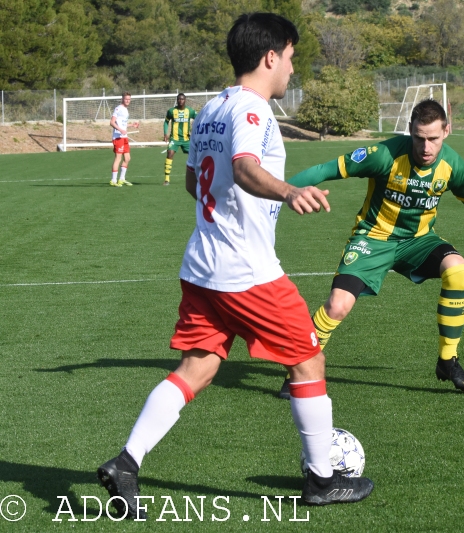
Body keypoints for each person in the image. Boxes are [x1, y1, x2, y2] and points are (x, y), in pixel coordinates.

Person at [96, 13, 374, 520]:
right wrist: (288, 192)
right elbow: (245, 169)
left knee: (197, 368)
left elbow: (190, 183)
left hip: (201, 266)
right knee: (308, 359)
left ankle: (126, 463)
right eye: (290, 58)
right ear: (271, 56)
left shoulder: (210, 109)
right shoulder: (252, 110)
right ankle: (321, 480)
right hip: (246, 272)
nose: (291, 69)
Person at [278, 99, 464, 399]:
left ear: (447, 131)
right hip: (373, 239)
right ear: (410, 131)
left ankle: (447, 361)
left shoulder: (453, 166)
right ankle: (298, 370)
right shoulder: (383, 155)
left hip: (418, 241)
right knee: (337, 306)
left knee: (458, 269)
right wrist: (279, 192)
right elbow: (327, 169)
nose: (425, 147)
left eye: (433, 139)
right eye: (419, 138)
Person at [163, 93, 197, 186]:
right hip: (174, 138)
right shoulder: (171, 111)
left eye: (182, 99)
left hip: (186, 139)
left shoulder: (190, 111)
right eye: (179, 99)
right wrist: (165, 133)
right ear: (177, 100)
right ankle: (166, 179)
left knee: (196, 156)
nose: (180, 101)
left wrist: (194, 131)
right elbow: (166, 121)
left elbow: (199, 119)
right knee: (169, 154)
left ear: (185, 100)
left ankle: (197, 176)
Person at [109, 92, 139, 187]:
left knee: (127, 158)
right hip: (118, 137)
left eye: (129, 99)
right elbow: (112, 122)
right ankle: (113, 180)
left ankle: (121, 179)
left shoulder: (126, 110)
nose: (127, 101)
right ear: (122, 99)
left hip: (124, 137)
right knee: (118, 158)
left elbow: (122, 123)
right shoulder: (118, 109)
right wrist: (120, 130)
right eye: (126, 99)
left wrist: (131, 125)